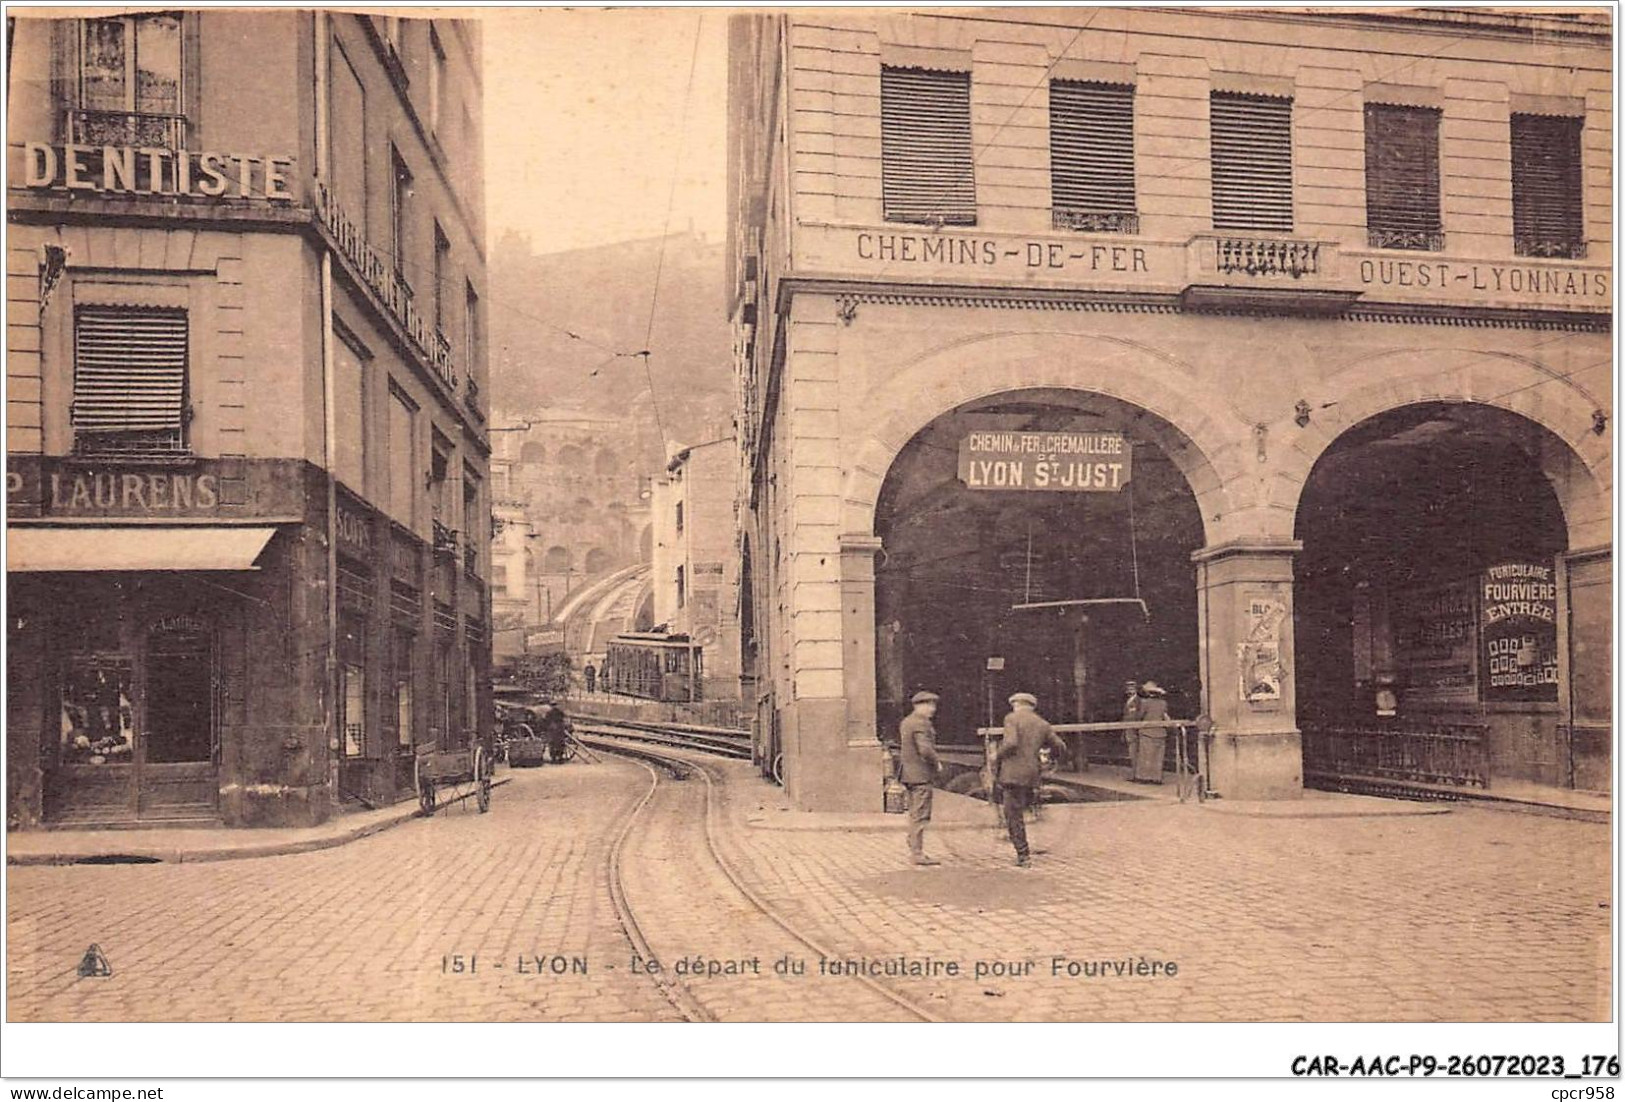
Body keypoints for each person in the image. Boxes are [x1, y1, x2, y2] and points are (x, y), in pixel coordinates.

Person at [995, 693, 1069, 867]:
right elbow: (1060, 746)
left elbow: (1011, 743)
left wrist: (996, 755)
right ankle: (1026, 839)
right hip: (1032, 774)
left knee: (1013, 814)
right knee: (1022, 807)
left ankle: (1023, 855)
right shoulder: (1042, 723)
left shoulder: (1012, 718)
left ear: (1017, 704)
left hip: (1012, 774)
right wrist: (1051, 760)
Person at [898, 690, 943, 866]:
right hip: (920, 775)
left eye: (934, 705)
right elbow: (924, 749)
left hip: (909, 773)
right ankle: (917, 852)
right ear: (919, 706)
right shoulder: (920, 723)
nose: (933, 709)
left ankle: (913, 844)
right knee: (921, 813)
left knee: (914, 812)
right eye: (929, 705)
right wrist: (937, 763)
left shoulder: (907, 721)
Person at [1132, 680, 1172, 783]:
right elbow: (1164, 716)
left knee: (1146, 755)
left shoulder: (1145, 703)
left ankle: (1144, 777)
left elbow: (1140, 716)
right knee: (1158, 756)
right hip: (1160, 732)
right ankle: (1156, 777)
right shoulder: (1163, 703)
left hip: (1147, 731)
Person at [1121, 679, 1142, 767]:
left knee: (1135, 751)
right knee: (1131, 751)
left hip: (1134, 729)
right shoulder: (1128, 701)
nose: (1129, 690)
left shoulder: (1138, 701)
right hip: (1128, 728)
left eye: (1132, 688)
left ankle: (1136, 773)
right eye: (1128, 688)